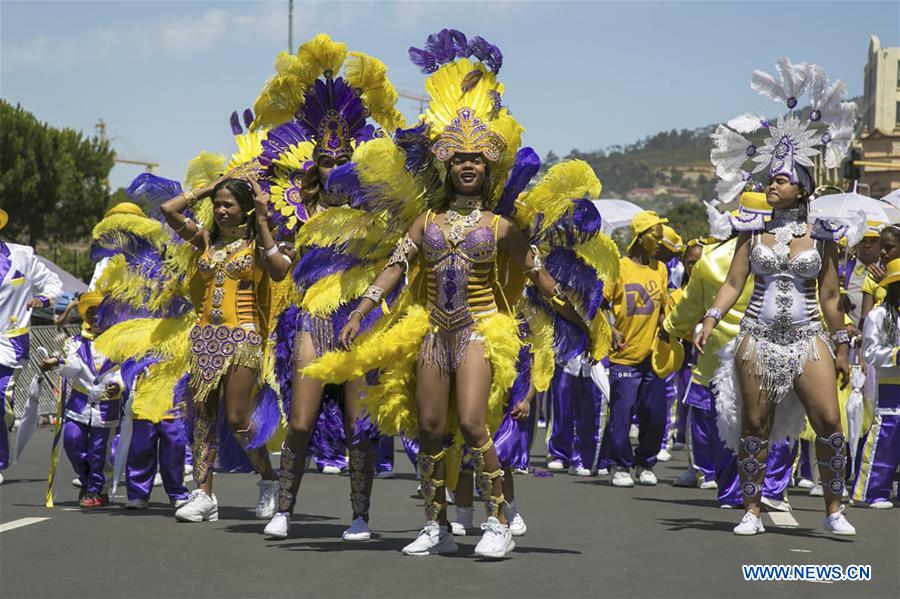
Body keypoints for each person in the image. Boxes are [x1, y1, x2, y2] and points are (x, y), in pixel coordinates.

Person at [306, 29, 617, 559]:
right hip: (431, 331)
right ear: (446, 166)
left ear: (488, 167)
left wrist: (578, 308)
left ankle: (497, 522)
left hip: (478, 329)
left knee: (472, 423)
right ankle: (436, 524)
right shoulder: (425, 220)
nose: (468, 165)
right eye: (459, 158)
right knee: (429, 428)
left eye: (477, 158)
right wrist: (362, 308)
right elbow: (395, 268)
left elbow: (539, 276)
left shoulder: (500, 227)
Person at [251, 35, 409, 542]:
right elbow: (280, 270)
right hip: (313, 319)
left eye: (342, 159)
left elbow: (394, 262)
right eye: (324, 159)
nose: (333, 165)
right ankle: (285, 510)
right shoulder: (299, 215)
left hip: (360, 319)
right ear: (313, 166)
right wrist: (260, 222)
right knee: (300, 420)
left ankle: (360, 516)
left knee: (359, 426)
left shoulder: (375, 213)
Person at [700, 57, 859, 536]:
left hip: (809, 335)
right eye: (770, 178)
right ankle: (751, 509)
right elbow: (732, 283)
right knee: (755, 424)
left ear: (803, 190)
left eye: (781, 180)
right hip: (757, 336)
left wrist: (845, 342)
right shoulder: (752, 232)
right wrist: (710, 317)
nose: (771, 184)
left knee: (829, 419)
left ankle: (834, 509)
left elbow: (830, 296)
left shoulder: (824, 236)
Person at [160, 170, 287, 523]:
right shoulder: (205, 241)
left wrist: (263, 218)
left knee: (237, 418)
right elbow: (168, 210)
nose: (220, 210)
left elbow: (278, 271)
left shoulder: (258, 246)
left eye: (227, 204)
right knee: (201, 417)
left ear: (244, 208)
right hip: (204, 337)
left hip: (243, 338)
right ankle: (204, 494)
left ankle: (268, 480)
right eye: (217, 205)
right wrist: (205, 190)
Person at [598, 211, 669, 488]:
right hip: (625, 356)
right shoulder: (619, 267)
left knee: (655, 414)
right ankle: (620, 465)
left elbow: (662, 307)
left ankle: (645, 462)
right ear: (640, 238)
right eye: (656, 236)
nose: (660, 242)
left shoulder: (660, 269)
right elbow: (601, 304)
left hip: (654, 356)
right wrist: (611, 330)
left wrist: (665, 326)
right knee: (622, 412)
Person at [0, 208, 64, 484]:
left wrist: (44, 299)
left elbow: (52, 282)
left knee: (2, 402)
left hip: (8, 343)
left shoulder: (22, 256)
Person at [40, 292, 122, 507]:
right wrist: (57, 363)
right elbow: (73, 367)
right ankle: (87, 482)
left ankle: (95, 490)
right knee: (72, 440)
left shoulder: (120, 343)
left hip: (106, 407)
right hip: (79, 405)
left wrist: (118, 386)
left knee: (98, 452)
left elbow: (126, 371)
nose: (96, 317)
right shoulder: (75, 342)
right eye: (92, 313)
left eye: (100, 313)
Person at [853, 257, 900, 508]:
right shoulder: (879, 315)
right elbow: (870, 352)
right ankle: (872, 492)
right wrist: (895, 355)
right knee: (885, 440)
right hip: (892, 389)